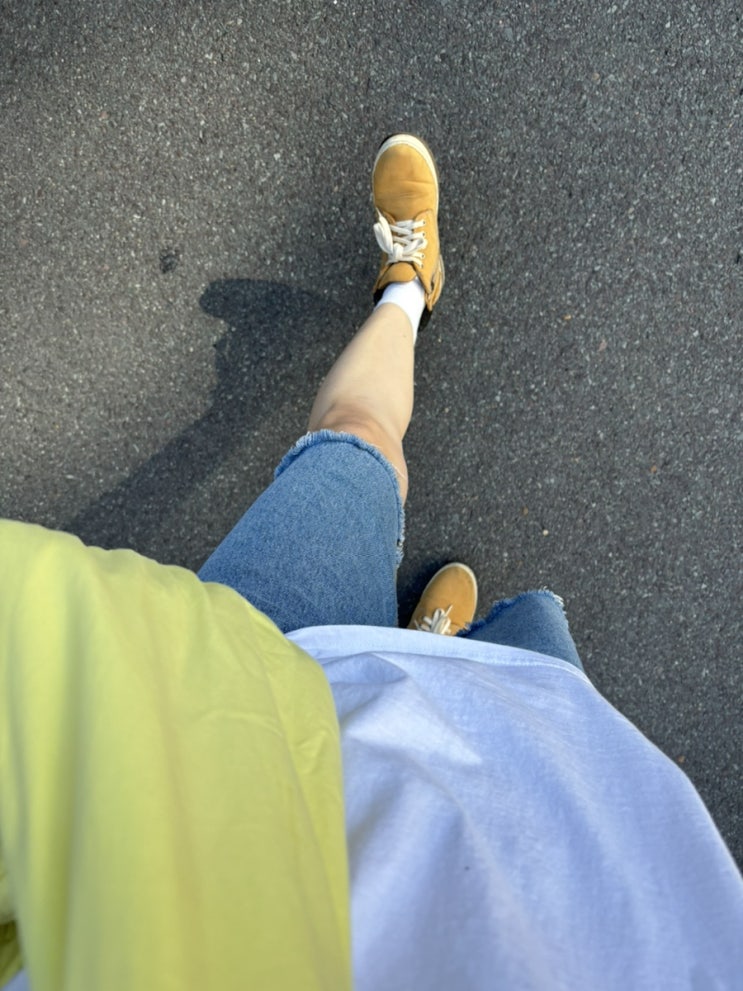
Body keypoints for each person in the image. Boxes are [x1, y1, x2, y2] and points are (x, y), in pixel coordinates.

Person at [1, 135, 741, 991]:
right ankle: (429, 643)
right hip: (579, 824)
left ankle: (406, 290)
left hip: (241, 728)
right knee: (499, 647)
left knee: (354, 440)